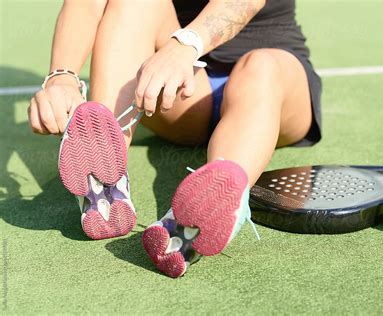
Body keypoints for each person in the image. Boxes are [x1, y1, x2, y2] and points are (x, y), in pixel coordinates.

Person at [28, 0, 322, 278]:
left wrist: (187, 44)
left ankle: (198, 216)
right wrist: (62, 78)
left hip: (273, 79)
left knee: (262, 66)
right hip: (184, 88)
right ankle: (105, 183)